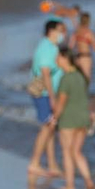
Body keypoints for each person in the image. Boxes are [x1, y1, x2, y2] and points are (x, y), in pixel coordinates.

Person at [49, 46, 95, 189]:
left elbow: (61, 102)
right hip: (83, 118)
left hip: (68, 119)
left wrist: (54, 118)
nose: (56, 60)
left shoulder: (66, 78)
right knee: (77, 152)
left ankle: (70, 185)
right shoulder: (81, 76)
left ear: (64, 58)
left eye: (58, 57)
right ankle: (88, 181)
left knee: (67, 152)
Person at [25, 18, 65, 179]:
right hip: (43, 92)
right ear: (52, 31)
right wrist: (52, 97)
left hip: (48, 92)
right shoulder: (46, 48)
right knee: (47, 126)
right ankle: (34, 163)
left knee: (51, 126)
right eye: (60, 30)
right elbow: (46, 74)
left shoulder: (52, 46)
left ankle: (52, 164)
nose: (63, 33)